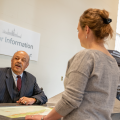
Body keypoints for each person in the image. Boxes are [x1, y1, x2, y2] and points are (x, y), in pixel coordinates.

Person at [26, 8, 120, 120]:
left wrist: (44, 118)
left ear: (87, 29)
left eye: (78, 30)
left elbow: (70, 100)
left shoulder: (86, 56)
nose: (78, 35)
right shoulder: (113, 62)